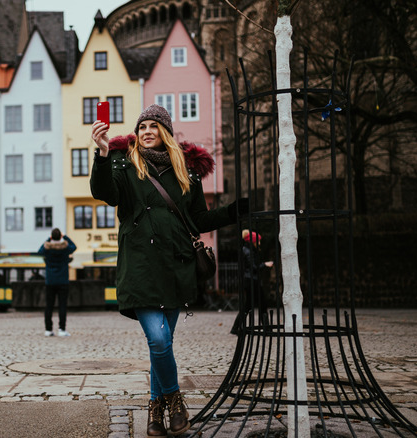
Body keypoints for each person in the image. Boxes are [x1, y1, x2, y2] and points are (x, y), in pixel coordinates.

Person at [90, 104, 246, 437]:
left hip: (176, 266)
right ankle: (175, 401)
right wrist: (102, 153)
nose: (147, 131)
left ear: (166, 133)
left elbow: (199, 220)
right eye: (142, 126)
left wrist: (233, 212)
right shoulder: (125, 163)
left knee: (161, 345)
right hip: (141, 267)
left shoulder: (186, 173)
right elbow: (105, 193)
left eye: (154, 126)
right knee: (159, 340)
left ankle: (154, 411)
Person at [231, 229, 274, 335]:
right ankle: (266, 328)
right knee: (262, 304)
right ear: (253, 241)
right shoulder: (249, 251)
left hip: (249, 281)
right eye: (258, 241)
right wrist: (265, 264)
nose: (259, 243)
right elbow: (253, 268)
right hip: (252, 281)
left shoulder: (246, 250)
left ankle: (236, 328)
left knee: (248, 306)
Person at [38, 228, 77, 337]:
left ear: (51, 237)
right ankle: (62, 329)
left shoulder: (47, 249)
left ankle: (48, 329)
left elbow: (40, 251)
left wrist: (48, 239)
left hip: (50, 281)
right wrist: (65, 237)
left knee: (49, 306)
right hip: (63, 281)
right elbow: (74, 246)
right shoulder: (65, 248)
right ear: (60, 236)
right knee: (62, 306)